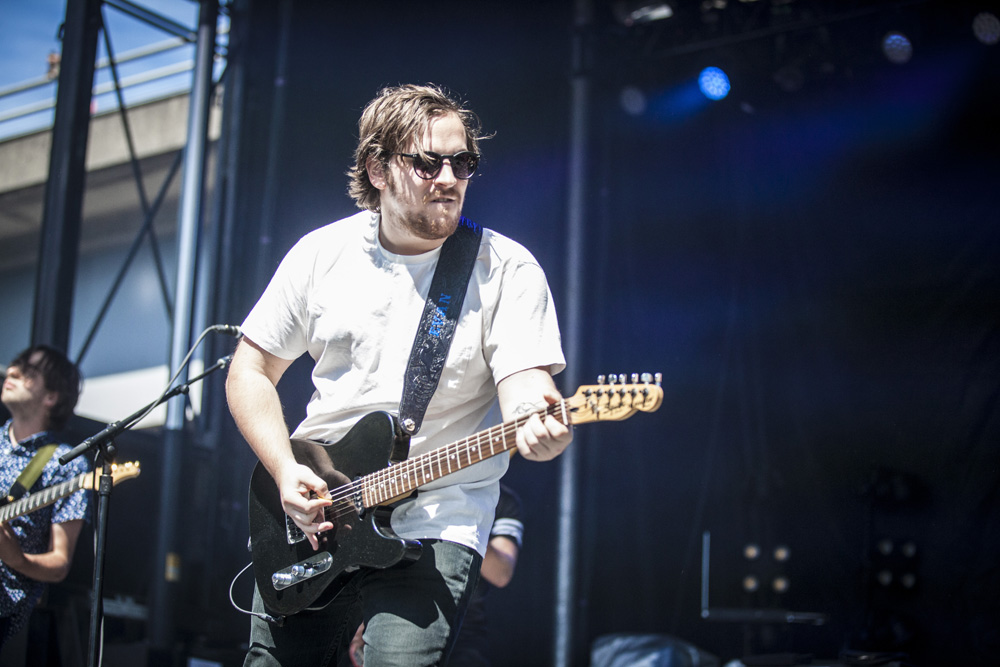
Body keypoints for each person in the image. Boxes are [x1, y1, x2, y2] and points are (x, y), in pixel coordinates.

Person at [226, 83, 572, 666]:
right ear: (378, 168)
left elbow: (526, 386)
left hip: (439, 517)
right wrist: (286, 473)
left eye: (463, 163)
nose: (449, 178)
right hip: (317, 513)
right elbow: (250, 371)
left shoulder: (506, 268)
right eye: (427, 162)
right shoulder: (322, 254)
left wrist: (540, 421)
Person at [349, 484, 524, 666]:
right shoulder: (410, 485)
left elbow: (502, 573)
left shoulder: (505, 501)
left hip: (464, 632)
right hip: (393, 610)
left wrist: (466, 521)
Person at [0, 345, 90, 647]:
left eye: (29, 372)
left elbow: (60, 563)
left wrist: (17, 558)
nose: (12, 371)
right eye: (16, 365)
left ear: (51, 397)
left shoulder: (65, 463)